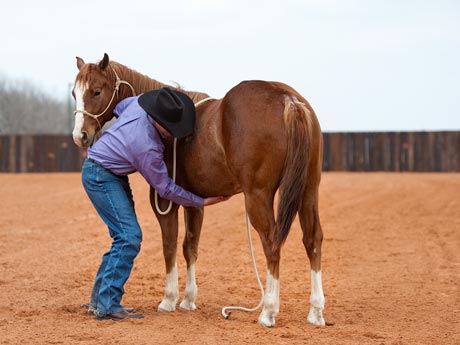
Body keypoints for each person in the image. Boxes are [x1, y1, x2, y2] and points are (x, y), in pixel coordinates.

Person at [81, 87, 228, 321]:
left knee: (121, 236)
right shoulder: (147, 147)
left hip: (106, 171)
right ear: (159, 124)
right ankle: (107, 304)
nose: (173, 134)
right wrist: (201, 201)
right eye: (171, 129)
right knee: (129, 236)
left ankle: (99, 300)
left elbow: (117, 107)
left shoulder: (139, 103)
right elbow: (166, 188)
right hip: (101, 176)